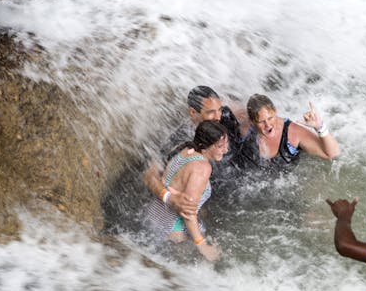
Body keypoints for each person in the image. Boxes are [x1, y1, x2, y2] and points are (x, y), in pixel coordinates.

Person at [143, 85, 243, 219]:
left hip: (239, 180)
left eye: (219, 109)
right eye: (211, 112)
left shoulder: (225, 116)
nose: (218, 117)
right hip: (210, 197)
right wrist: (170, 198)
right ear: (193, 112)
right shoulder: (179, 139)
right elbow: (150, 176)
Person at [144, 120, 229, 261]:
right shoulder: (202, 168)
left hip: (153, 217)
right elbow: (187, 212)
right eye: (220, 146)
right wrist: (202, 245)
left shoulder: (185, 150)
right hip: (173, 232)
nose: (226, 150)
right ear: (206, 146)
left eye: (226, 144)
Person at [234, 94, 340, 173]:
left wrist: (319, 127)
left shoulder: (293, 132)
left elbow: (331, 153)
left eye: (270, 118)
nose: (268, 125)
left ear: (275, 111)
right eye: (261, 121)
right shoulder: (246, 126)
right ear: (252, 121)